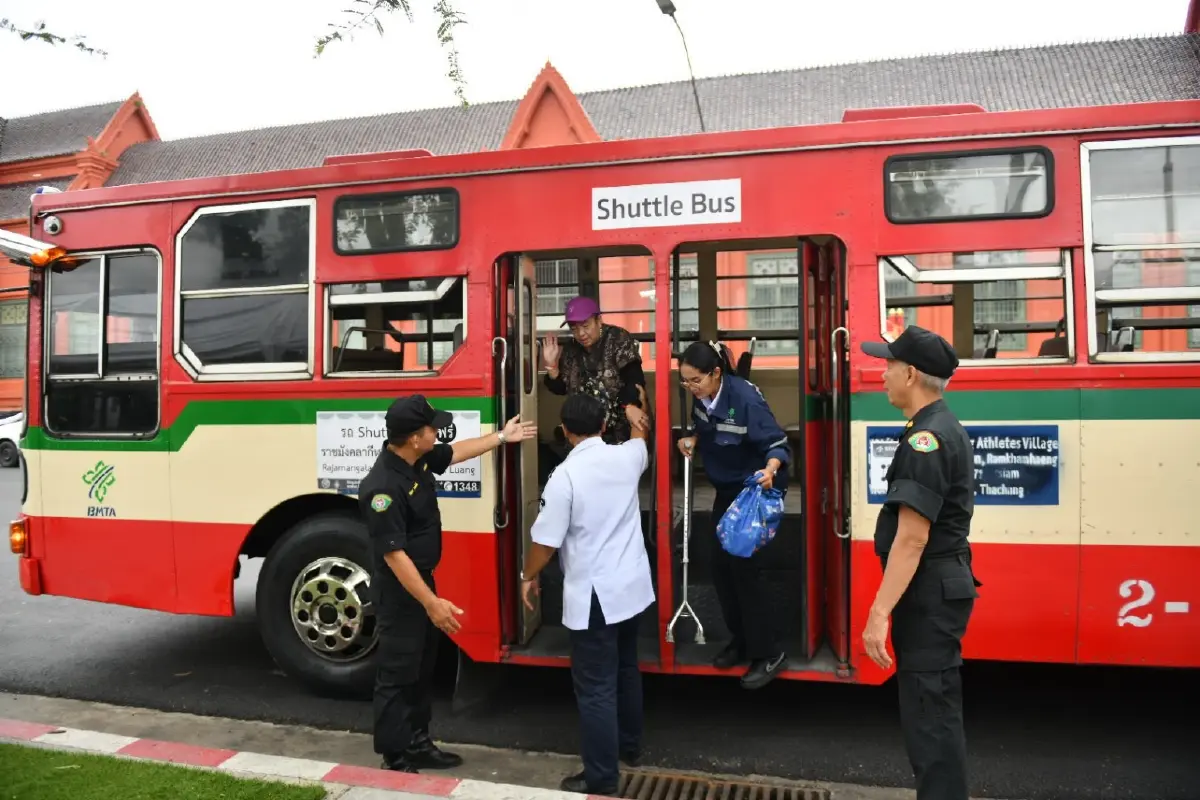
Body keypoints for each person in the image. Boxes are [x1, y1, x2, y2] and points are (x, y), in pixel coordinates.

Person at [359, 394, 536, 773]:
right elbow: (394, 556)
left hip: (421, 582)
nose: (437, 431)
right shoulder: (383, 488)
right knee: (397, 673)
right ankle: (396, 756)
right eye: (431, 428)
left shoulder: (417, 458)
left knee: (422, 667)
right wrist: (431, 603)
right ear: (412, 437)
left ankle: (419, 741)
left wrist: (502, 438)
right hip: (401, 592)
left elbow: (455, 453)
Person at [859, 325, 981, 800]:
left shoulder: (925, 440)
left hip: (929, 594)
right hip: (938, 589)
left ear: (910, 374)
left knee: (930, 720)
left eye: (888, 365)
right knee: (934, 714)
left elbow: (912, 539)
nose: (881, 374)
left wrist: (877, 614)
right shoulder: (937, 426)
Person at [518, 391, 654, 796]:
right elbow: (639, 436)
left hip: (596, 595)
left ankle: (601, 778)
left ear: (563, 431)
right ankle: (631, 748)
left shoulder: (565, 477)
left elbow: (545, 543)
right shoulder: (628, 458)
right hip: (630, 589)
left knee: (595, 688)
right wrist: (636, 408)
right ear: (601, 426)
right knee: (627, 669)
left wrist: (528, 575)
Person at [675, 341, 792, 690]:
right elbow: (707, 428)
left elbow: (777, 444)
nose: (691, 388)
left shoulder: (744, 398)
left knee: (744, 571)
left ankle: (768, 652)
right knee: (720, 569)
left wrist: (771, 469)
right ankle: (740, 641)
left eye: (695, 381)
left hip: (753, 492)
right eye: (685, 382)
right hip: (727, 493)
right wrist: (694, 439)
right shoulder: (703, 398)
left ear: (716, 373)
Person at [542, 296, 649, 445]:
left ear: (598, 320)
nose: (581, 334)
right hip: (584, 433)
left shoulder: (617, 338)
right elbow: (562, 388)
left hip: (619, 428)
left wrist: (630, 405)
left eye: (585, 326)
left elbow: (634, 379)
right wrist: (551, 365)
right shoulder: (571, 349)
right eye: (574, 329)